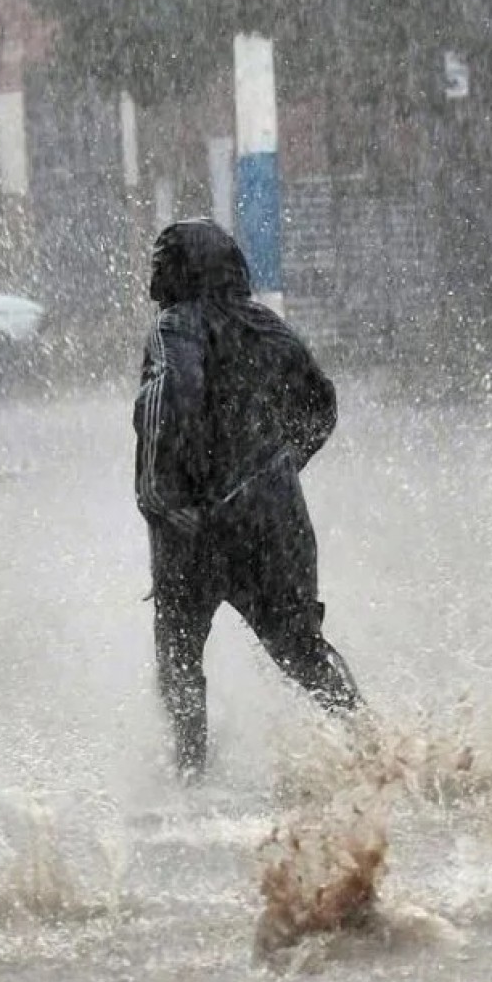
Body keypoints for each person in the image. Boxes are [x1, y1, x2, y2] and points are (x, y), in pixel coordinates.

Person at [134, 218, 363, 778]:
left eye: (161, 260)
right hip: (273, 519)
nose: (153, 272)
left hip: (195, 526)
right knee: (303, 650)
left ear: (178, 271)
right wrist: (277, 467)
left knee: (180, 655)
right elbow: (320, 405)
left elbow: (175, 397)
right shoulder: (269, 327)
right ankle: (375, 748)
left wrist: (159, 494)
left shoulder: (173, 328)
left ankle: (190, 772)